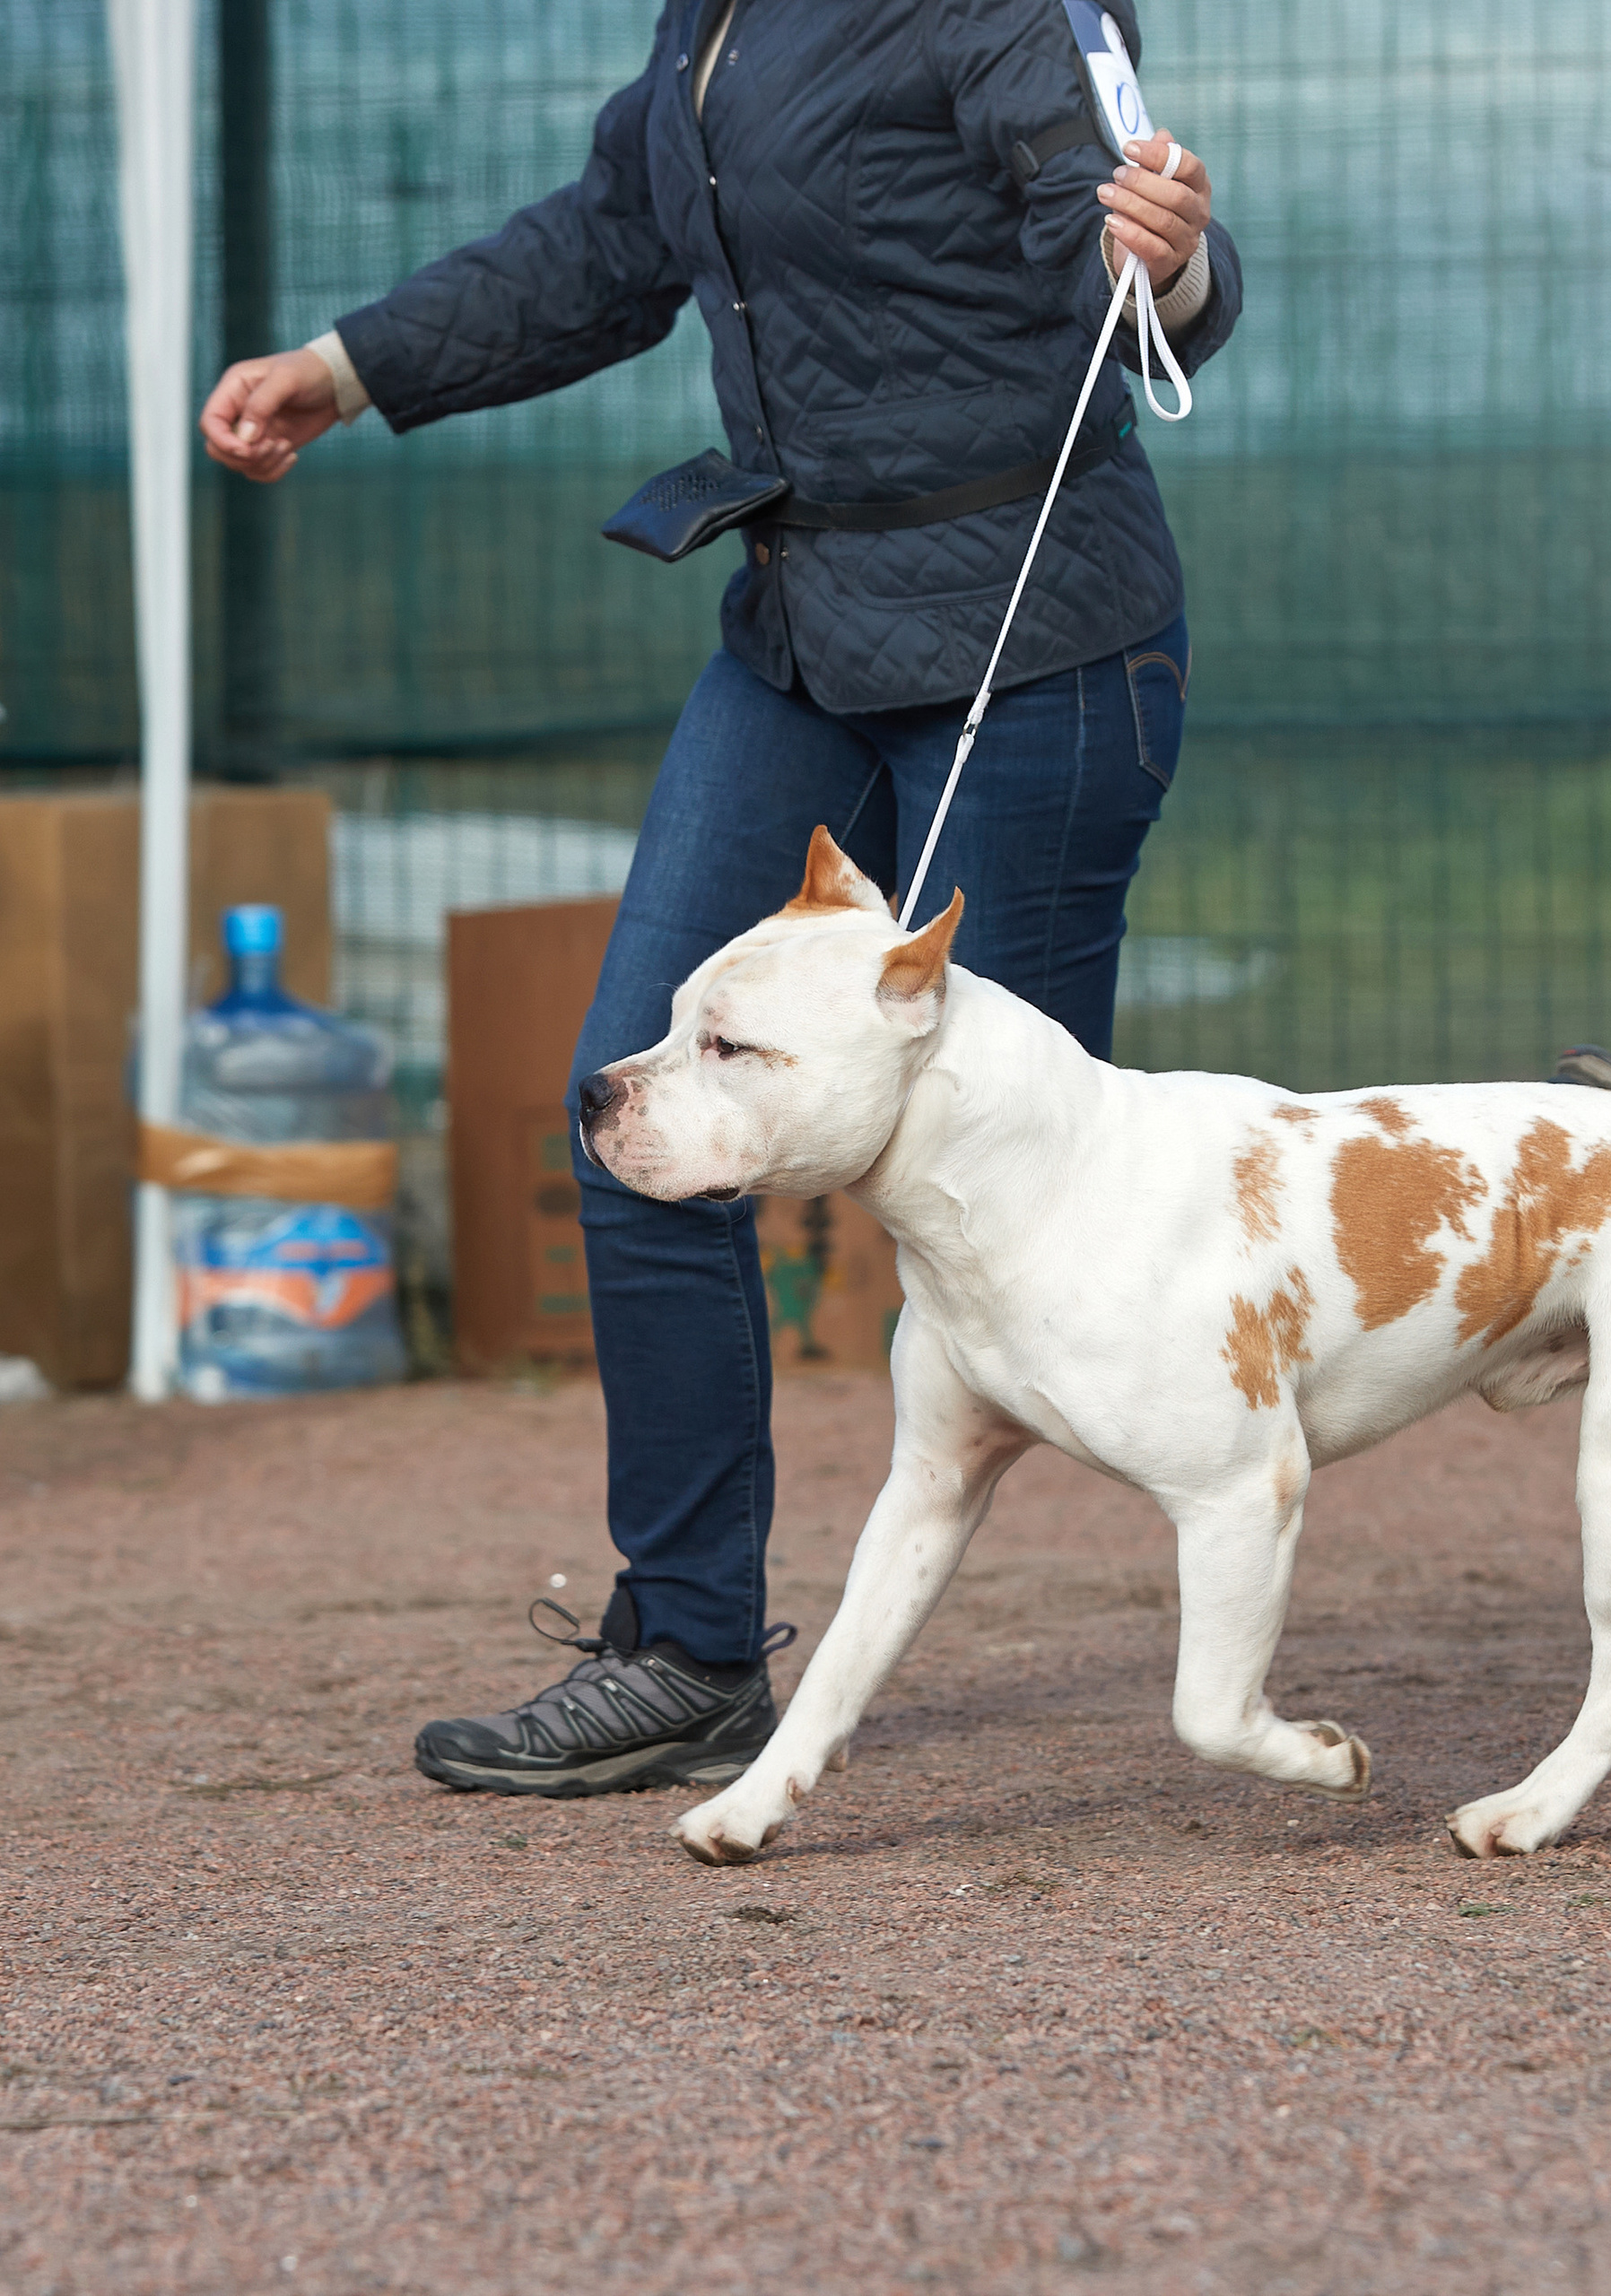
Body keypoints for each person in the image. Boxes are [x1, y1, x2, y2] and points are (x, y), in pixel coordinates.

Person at [201, 1, 1241, 1797]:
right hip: (796, 634)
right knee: (636, 1106)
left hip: (1038, 640)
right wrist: (348, 366)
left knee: (1052, 1192)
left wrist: (1183, 264)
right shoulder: (711, 22)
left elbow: (1124, 232)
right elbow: (607, 241)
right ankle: (684, 1647)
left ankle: (1458, 1285)